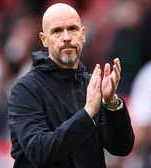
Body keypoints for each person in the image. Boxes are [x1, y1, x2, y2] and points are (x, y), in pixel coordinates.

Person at [8, 3, 134, 168]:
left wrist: (111, 104)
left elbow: (121, 147)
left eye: (72, 29)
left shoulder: (92, 85)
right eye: (57, 31)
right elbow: (38, 151)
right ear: (44, 39)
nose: (66, 37)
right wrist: (87, 113)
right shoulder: (25, 89)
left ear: (83, 34)